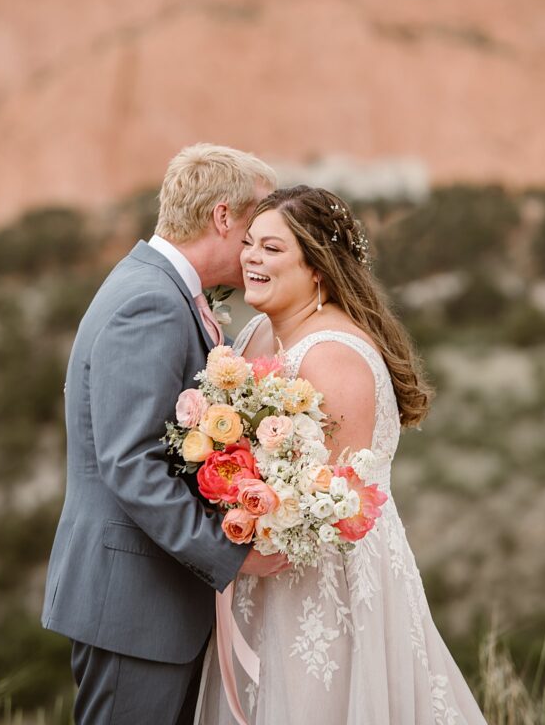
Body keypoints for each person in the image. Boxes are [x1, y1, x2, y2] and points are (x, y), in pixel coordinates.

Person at [196, 185, 488, 725]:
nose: (252, 259)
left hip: (324, 587)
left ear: (318, 269)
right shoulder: (260, 333)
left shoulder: (333, 357)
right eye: (250, 244)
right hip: (262, 573)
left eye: (273, 249)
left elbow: (324, 506)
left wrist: (243, 516)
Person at [42, 144, 286, 725]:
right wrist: (231, 554)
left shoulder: (158, 288)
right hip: (134, 602)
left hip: (148, 601)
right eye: (258, 221)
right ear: (224, 217)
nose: (261, 241)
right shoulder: (151, 301)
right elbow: (131, 464)